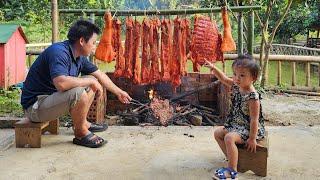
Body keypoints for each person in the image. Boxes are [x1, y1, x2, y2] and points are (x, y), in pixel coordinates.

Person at [21, 20, 132, 148]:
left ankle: (83, 123)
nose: (94, 46)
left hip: (50, 100)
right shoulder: (59, 52)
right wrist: (91, 81)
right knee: (80, 91)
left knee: (91, 79)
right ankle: (80, 133)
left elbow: (100, 75)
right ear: (81, 41)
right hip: (35, 108)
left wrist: (119, 92)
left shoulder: (78, 56)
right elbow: (61, 84)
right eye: (93, 43)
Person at [204, 55, 265, 179]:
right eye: (235, 74)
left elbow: (254, 119)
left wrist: (252, 138)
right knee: (218, 133)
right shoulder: (238, 86)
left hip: (248, 128)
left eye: (242, 75)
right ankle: (233, 159)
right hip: (236, 124)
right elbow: (224, 79)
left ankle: (232, 171)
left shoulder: (253, 97)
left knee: (229, 138)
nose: (237, 78)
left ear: (253, 78)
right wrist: (213, 68)